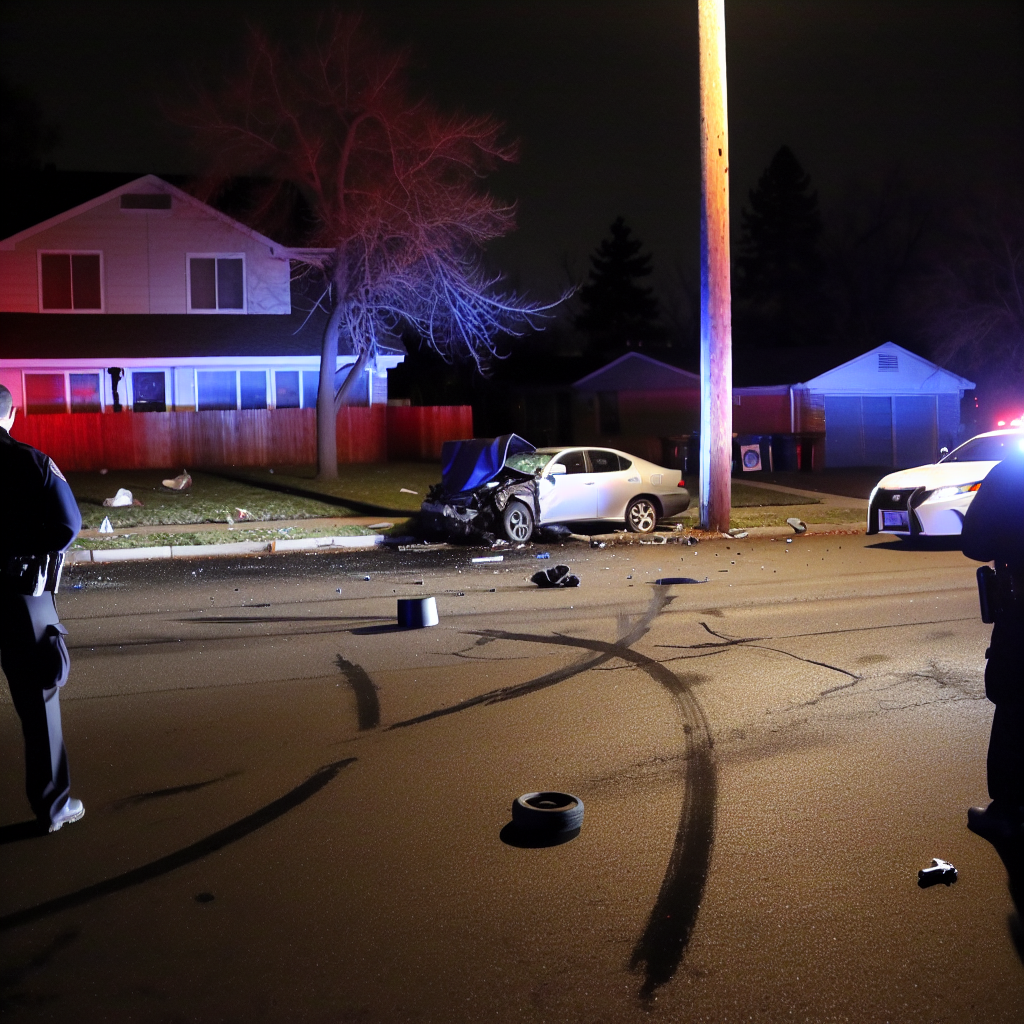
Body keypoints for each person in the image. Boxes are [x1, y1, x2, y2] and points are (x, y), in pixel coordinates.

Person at [0, 384, 85, 832]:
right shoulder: (30, 462)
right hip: (20, 597)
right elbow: (69, 523)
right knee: (39, 702)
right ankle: (52, 808)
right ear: (11, 416)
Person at [960, 443, 1024, 843]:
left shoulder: (1013, 469)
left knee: (1013, 698)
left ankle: (1007, 811)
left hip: (1021, 610)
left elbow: (975, 542)